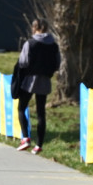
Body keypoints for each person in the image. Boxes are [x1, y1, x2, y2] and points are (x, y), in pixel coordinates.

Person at [15, 18, 61, 155]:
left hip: (29, 80)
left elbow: (23, 62)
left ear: (34, 28)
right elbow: (57, 64)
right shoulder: (54, 45)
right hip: (45, 81)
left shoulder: (30, 43)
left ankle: (26, 138)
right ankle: (39, 145)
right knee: (41, 112)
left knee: (22, 107)